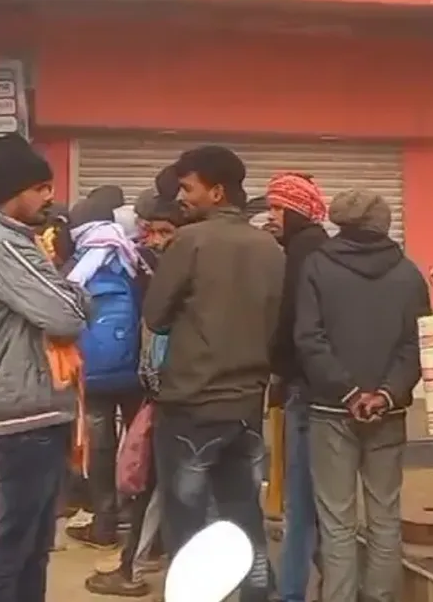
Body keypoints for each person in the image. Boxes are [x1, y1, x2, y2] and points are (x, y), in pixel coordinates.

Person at [143, 145, 285, 602]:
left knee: (188, 527)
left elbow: (155, 315)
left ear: (217, 191)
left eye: (188, 187)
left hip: (192, 404)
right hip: (246, 405)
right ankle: (257, 594)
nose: (181, 197)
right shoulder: (270, 246)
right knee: (244, 518)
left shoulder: (191, 241)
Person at [0, 133, 90, 602]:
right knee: (14, 547)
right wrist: (70, 297)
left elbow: (67, 301)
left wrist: (67, 295)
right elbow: (69, 313)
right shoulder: (3, 247)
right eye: (40, 188)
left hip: (38, 411)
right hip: (21, 416)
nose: (49, 197)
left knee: (35, 547)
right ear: (14, 192)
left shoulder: (23, 243)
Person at [296, 189, 429, 602]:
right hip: (389, 413)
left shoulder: (317, 266)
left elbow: (308, 338)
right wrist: (386, 394)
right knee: (385, 516)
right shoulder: (408, 273)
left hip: (330, 409)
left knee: (337, 521)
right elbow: (416, 344)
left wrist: (348, 391)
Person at [86, 183, 184, 598]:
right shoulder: (153, 261)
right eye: (150, 231)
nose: (155, 240)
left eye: (164, 231)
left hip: (172, 389)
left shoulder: (159, 267)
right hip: (174, 387)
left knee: (152, 477)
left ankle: (133, 567)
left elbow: (160, 326)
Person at [64, 184, 151, 553]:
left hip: (93, 373)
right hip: (133, 371)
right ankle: (138, 519)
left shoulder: (75, 265)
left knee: (100, 447)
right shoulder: (135, 260)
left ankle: (103, 523)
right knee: (138, 443)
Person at [264, 171, 330, 602]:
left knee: (300, 503)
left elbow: (291, 322)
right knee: (317, 502)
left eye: (275, 209)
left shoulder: (302, 253)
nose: (270, 217)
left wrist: (277, 369)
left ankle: (290, 593)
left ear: (293, 211)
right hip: (317, 385)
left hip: (302, 387)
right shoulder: (315, 247)